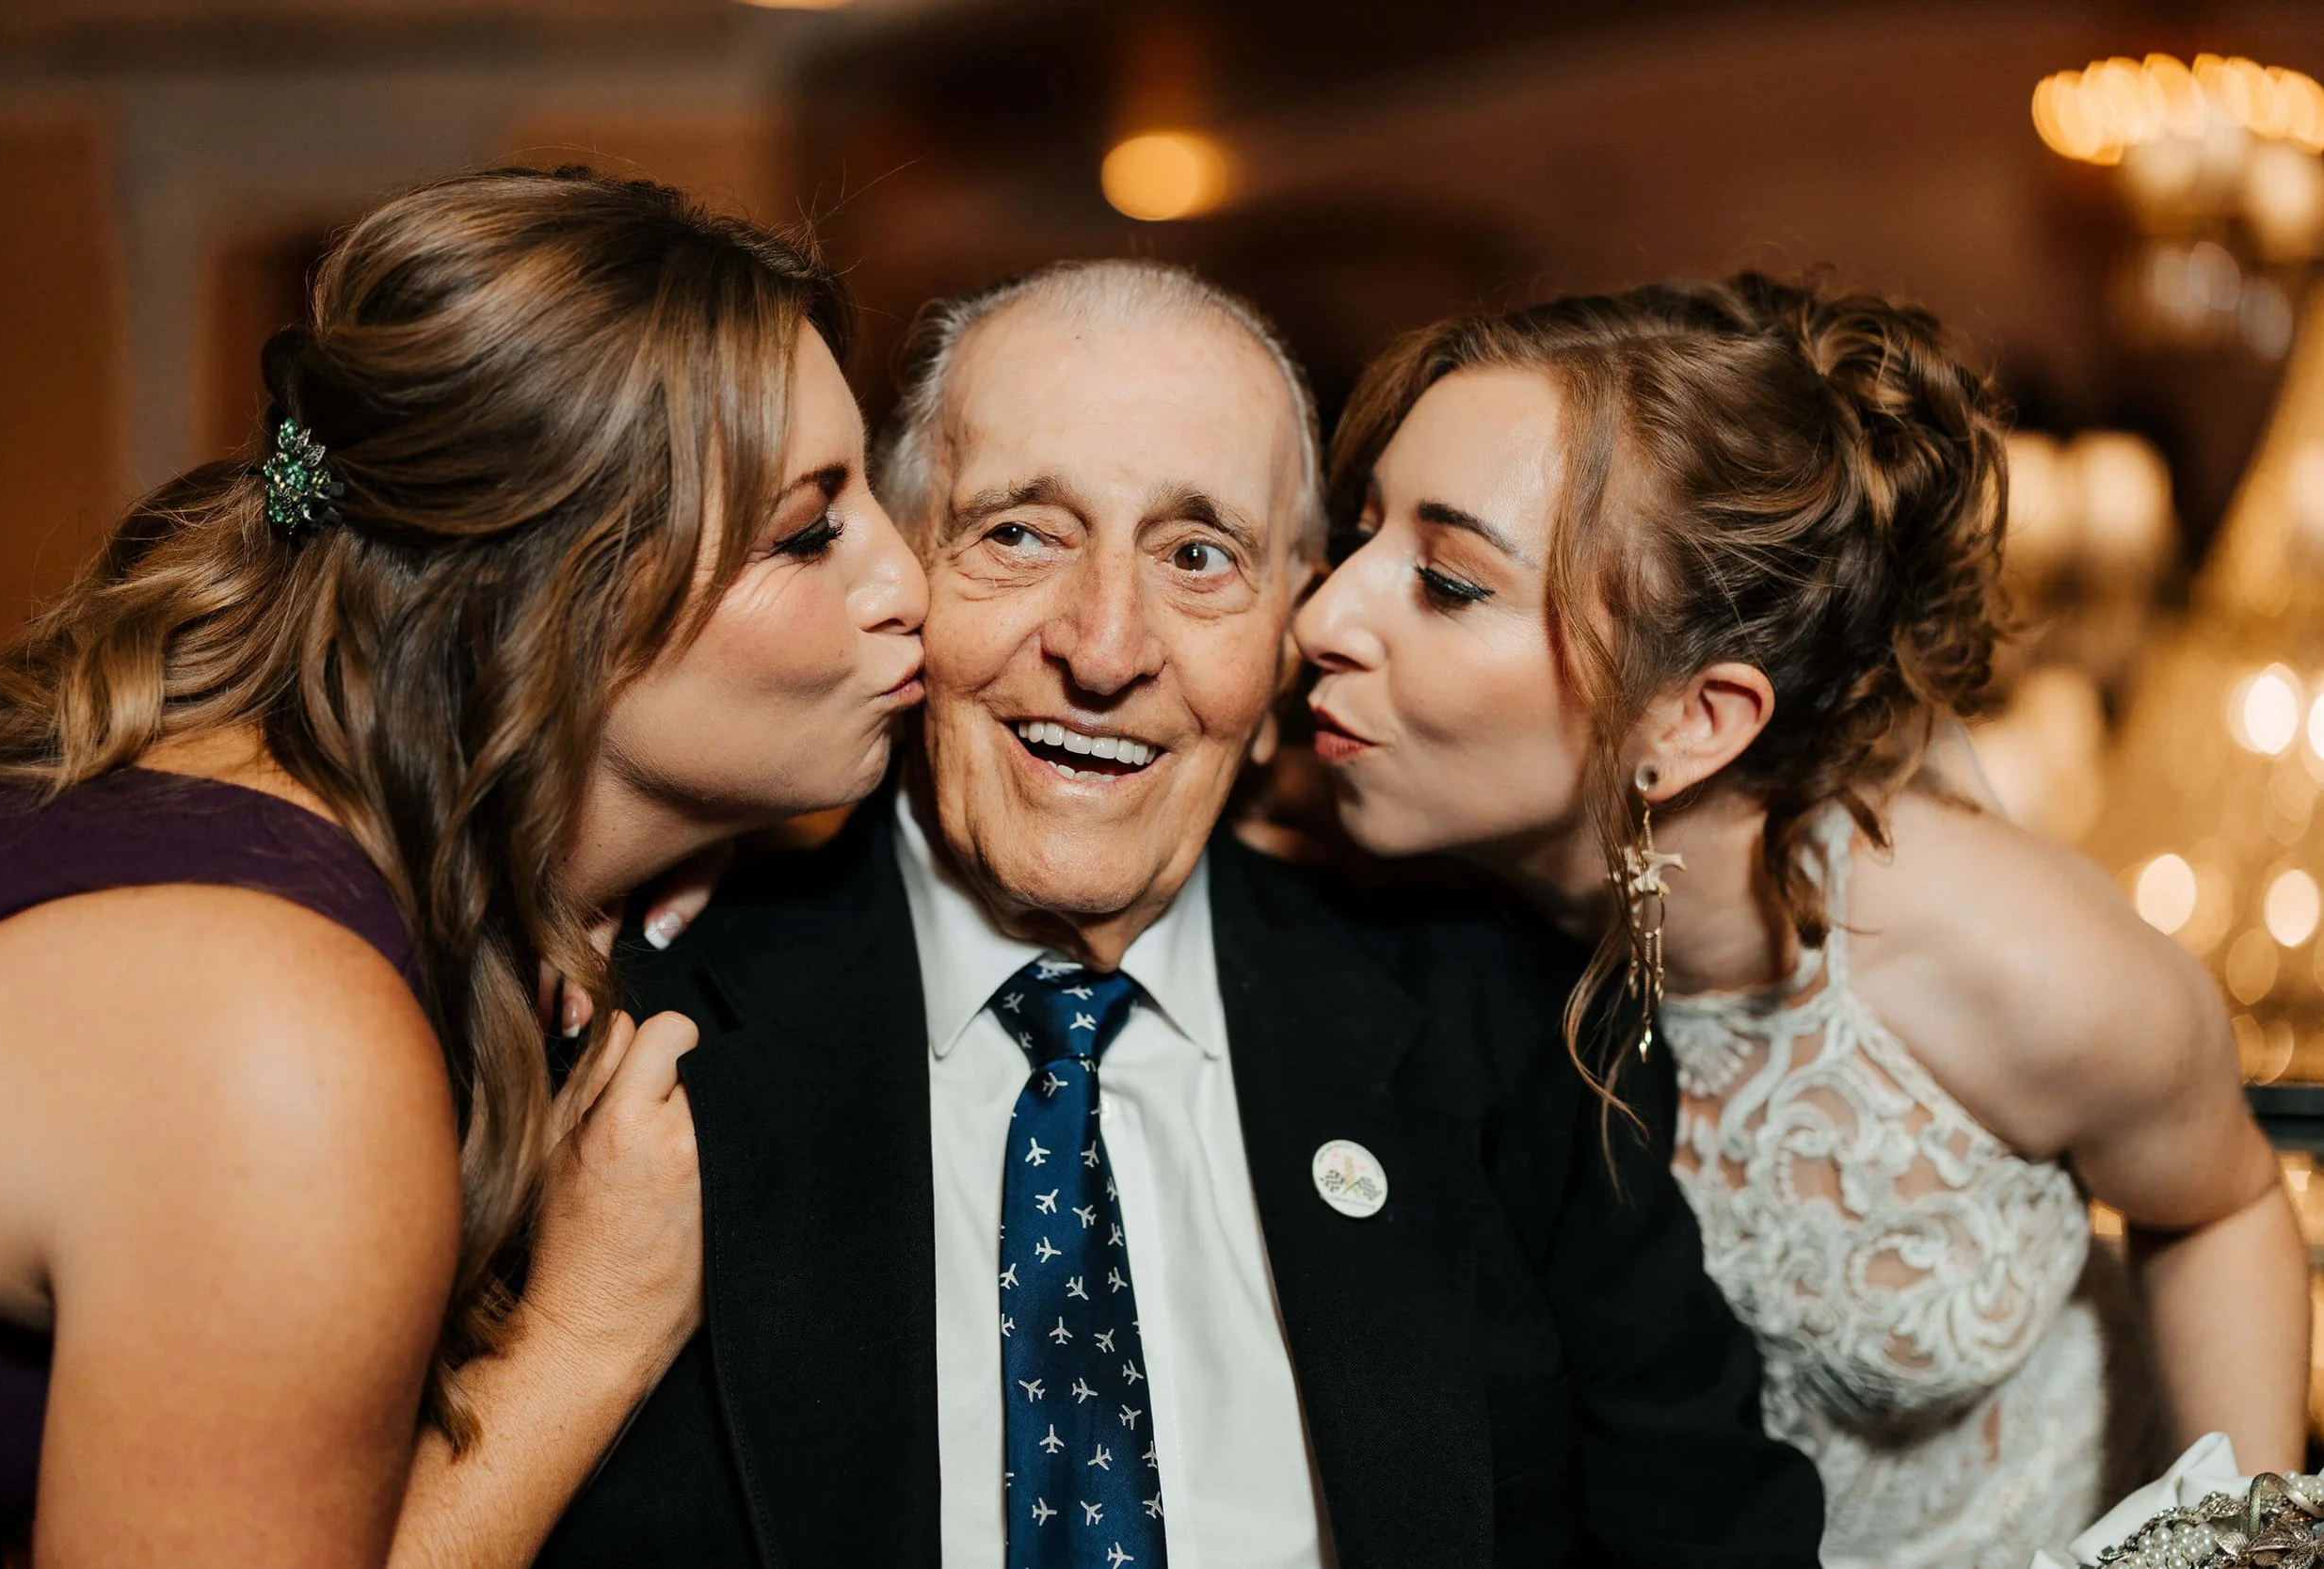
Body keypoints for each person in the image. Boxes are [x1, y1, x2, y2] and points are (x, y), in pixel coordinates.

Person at [538, 258, 1823, 1569]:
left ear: (1289, 626)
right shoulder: (643, 1024)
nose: (1103, 651)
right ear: (902, 569)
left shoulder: (1501, 1031)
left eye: (1199, 557)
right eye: (1020, 534)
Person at [0, 168, 925, 1567]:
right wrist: (577, 1344)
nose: (908, 583)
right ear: (545, 599)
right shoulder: (274, 1044)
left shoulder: (224, 810)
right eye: (808, 532)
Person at [1290, 273, 2313, 1569]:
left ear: (1691, 720)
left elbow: (2220, 1207)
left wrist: (2230, 1550)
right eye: (1357, 529)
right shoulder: (1362, 907)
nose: (1322, 615)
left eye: (1444, 580)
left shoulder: (2015, 958)